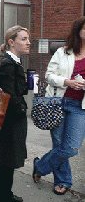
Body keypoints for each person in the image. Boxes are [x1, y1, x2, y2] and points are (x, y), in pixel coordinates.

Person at [33, 17, 85, 196]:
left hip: (80, 106)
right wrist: (67, 82)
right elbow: (48, 76)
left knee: (71, 148)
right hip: (58, 102)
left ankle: (40, 166)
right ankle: (62, 181)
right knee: (59, 144)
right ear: (78, 30)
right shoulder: (63, 52)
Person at [0, 26, 30, 202]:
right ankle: (1, 197)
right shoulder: (8, 64)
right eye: (23, 39)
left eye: (28, 39)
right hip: (9, 123)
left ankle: (5, 195)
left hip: (10, 121)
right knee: (5, 162)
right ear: (11, 42)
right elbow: (10, 96)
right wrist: (22, 109)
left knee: (7, 162)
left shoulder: (14, 62)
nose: (28, 42)